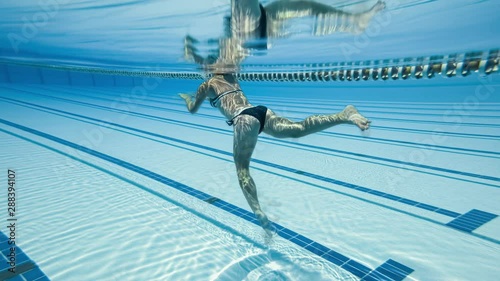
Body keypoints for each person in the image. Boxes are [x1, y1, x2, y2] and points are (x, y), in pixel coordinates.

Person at [179, 73, 370, 235]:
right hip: (261, 111)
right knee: (298, 128)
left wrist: (188, 99)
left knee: (242, 169)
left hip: (243, 119)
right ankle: (343, 115)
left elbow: (193, 109)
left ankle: (258, 211)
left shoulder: (208, 84)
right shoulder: (230, 76)